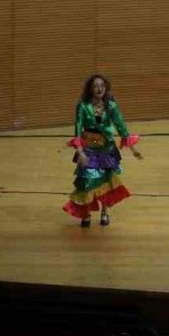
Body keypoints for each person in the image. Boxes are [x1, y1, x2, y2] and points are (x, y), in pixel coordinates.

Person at [66, 75, 141, 227]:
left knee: (106, 181)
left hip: (107, 150)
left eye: (102, 86)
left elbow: (121, 127)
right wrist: (80, 152)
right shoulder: (83, 106)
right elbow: (77, 131)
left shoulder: (111, 106)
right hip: (88, 150)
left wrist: (133, 149)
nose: (99, 89)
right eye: (96, 86)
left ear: (105, 88)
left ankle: (105, 212)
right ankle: (86, 213)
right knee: (87, 182)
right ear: (90, 89)